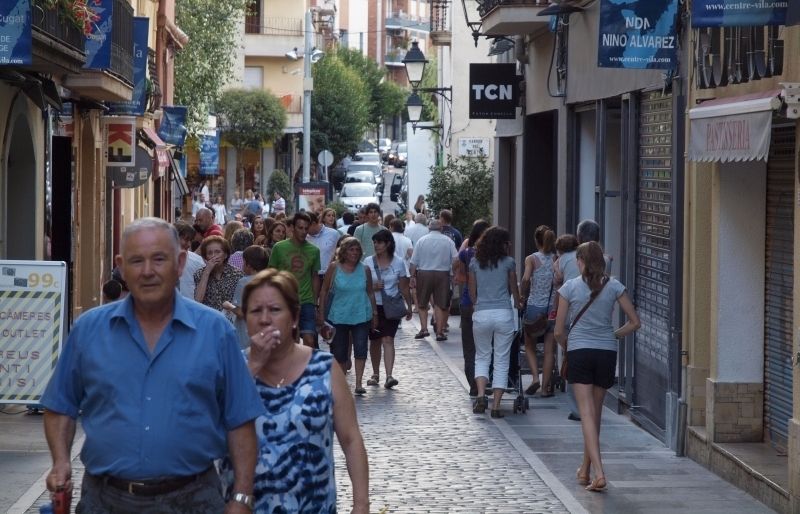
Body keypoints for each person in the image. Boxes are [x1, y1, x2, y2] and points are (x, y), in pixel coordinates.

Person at [41, 217, 263, 513]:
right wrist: (60, 460)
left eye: (159, 259)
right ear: (120, 265)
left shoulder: (215, 331)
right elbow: (60, 405)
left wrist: (242, 497)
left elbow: (241, 419)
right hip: (105, 501)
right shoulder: (88, 330)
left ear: (181, 262)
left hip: (193, 500)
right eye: (136, 261)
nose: (147, 271)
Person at [223, 269, 369, 512]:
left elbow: (351, 439)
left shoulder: (324, 367)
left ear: (294, 318)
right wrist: (254, 366)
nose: (265, 319)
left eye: (275, 310)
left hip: (313, 505)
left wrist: (361, 504)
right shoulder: (232, 368)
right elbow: (214, 430)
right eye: (256, 311)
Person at [554, 241, 640, 492]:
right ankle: (584, 469)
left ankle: (599, 473)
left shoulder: (569, 288)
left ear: (580, 262)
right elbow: (635, 322)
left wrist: (566, 345)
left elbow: (559, 330)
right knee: (595, 414)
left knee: (586, 414)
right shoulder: (614, 285)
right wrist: (614, 335)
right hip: (606, 352)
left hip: (580, 351)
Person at [468, 226, 523, 418]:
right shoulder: (509, 263)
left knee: (482, 356)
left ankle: (482, 395)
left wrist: (479, 303)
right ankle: (497, 406)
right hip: (503, 314)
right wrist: (518, 301)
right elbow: (515, 293)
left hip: (482, 313)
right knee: (501, 359)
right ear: (503, 244)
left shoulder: (475, 263)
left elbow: (472, 293)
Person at [318, 237, 377, 395]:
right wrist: (321, 314)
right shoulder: (334, 267)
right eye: (351, 249)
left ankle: (358, 383)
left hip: (361, 315)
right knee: (339, 352)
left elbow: (370, 292)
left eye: (357, 250)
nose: (355, 253)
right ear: (344, 251)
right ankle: (342, 383)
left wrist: (374, 313)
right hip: (339, 315)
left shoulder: (365, 269)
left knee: (361, 348)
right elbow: (323, 291)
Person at [364, 229, 413, 390]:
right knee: (375, 341)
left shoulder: (398, 262)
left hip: (391, 306)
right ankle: (375, 373)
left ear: (388, 244)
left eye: (379, 242)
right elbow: (362, 285)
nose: (376, 245)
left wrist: (409, 306)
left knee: (388, 339)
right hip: (373, 305)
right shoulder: (368, 262)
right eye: (375, 242)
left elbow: (404, 287)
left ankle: (389, 375)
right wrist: (373, 287)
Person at [268, 212, 321, 348]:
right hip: (285, 300)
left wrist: (315, 302)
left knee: (310, 339)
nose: (303, 231)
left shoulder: (314, 250)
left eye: (306, 228)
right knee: (291, 340)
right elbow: (271, 273)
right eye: (300, 228)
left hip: (306, 300)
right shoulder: (279, 248)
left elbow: (315, 276)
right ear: (292, 228)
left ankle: (309, 368)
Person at [520, 225, 558, 397]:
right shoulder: (557, 258)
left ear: (536, 240)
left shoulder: (531, 259)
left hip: (535, 306)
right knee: (550, 349)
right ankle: (545, 388)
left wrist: (522, 293)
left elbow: (527, 278)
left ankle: (535, 377)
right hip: (552, 308)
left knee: (529, 344)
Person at [454, 219, 490, 397]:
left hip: (468, 303)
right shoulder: (493, 255)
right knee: (486, 347)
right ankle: (485, 381)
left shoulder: (466, 253)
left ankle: (474, 385)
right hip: (488, 304)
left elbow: (460, 277)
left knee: (469, 348)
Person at [409, 219, 458, 341]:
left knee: (422, 303)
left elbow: (413, 261)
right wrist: (453, 271)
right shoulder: (448, 241)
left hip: (424, 273)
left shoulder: (422, 240)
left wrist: (412, 277)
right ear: (441, 229)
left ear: (429, 228)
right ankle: (440, 332)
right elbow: (456, 258)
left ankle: (424, 329)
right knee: (440, 304)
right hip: (443, 273)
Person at [223, 245, 270, 350]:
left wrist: (228, 306)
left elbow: (241, 312)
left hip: (246, 335)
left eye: (243, 262)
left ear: (248, 265)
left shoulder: (244, 282)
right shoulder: (272, 281)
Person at [194, 235, 244, 312]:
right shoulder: (200, 273)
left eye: (217, 252)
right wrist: (207, 272)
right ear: (205, 257)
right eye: (210, 253)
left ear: (225, 255)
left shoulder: (237, 275)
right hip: (208, 318)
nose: (214, 256)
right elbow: (197, 301)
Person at [307, 211, 341, 281]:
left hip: (330, 276)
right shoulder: (305, 237)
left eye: (306, 228)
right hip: (311, 277)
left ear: (313, 224)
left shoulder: (334, 234)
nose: (304, 231)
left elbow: (341, 254)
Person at [175, 222, 205, 299]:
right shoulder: (159, 261)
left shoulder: (197, 262)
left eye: (190, 240)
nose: (188, 244)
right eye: (186, 239)